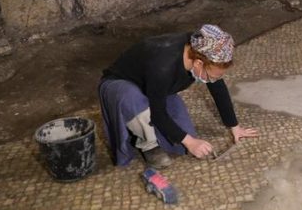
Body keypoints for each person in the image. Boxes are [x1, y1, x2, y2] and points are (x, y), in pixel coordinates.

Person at [98, 24, 258, 168]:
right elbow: (158, 113)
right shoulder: (163, 66)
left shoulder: (202, 48)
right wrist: (190, 141)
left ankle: (141, 128)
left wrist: (234, 127)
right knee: (183, 138)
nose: (213, 79)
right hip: (119, 86)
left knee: (180, 146)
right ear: (198, 64)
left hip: (154, 86)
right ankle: (148, 145)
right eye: (212, 75)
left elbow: (217, 85)